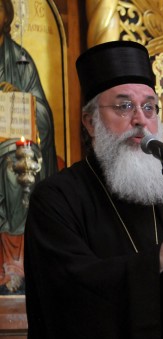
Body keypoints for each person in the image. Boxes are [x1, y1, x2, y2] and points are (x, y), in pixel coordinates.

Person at [24, 41, 163, 339]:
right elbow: (68, 296)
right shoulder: (57, 198)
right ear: (90, 121)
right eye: (124, 106)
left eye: (149, 107)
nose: (140, 119)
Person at [0, 0, 58, 293]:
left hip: (9, 141)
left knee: (17, 163)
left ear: (7, 15)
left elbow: (44, 115)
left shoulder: (21, 60)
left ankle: (15, 263)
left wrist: (21, 98)